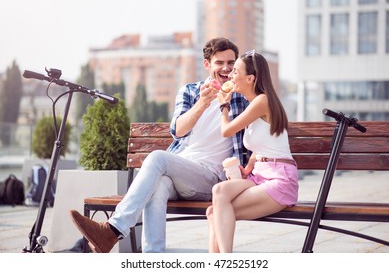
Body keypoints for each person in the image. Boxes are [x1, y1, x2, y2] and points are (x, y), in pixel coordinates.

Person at [69, 37, 249, 253]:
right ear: (207, 64)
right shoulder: (191, 92)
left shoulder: (242, 96)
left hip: (212, 179)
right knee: (159, 186)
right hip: (182, 172)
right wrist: (202, 104)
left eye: (231, 63)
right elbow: (178, 130)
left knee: (157, 157)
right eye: (220, 63)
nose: (226, 68)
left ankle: (112, 230)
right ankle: (153, 258)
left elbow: (262, 127)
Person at [206, 50, 298, 253]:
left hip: (279, 180)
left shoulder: (261, 101)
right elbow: (263, 144)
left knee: (217, 208)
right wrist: (248, 167)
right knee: (216, 203)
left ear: (250, 78)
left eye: (235, 71)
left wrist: (224, 106)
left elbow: (226, 131)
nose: (230, 75)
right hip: (260, 176)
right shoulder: (256, 103)